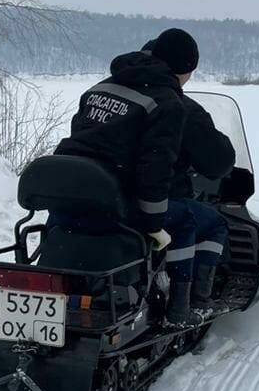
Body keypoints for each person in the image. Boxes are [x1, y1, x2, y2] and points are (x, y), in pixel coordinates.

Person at [54, 27, 206, 327]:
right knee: (187, 218)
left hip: (71, 190)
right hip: (117, 199)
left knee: (68, 219)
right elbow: (155, 168)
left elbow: (82, 141)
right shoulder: (167, 102)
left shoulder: (101, 87)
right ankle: (179, 310)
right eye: (190, 71)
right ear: (184, 68)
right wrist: (154, 224)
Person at [161, 84, 236, 316]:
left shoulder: (111, 96)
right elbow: (217, 161)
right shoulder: (181, 107)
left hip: (108, 197)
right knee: (212, 223)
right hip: (154, 200)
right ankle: (193, 302)